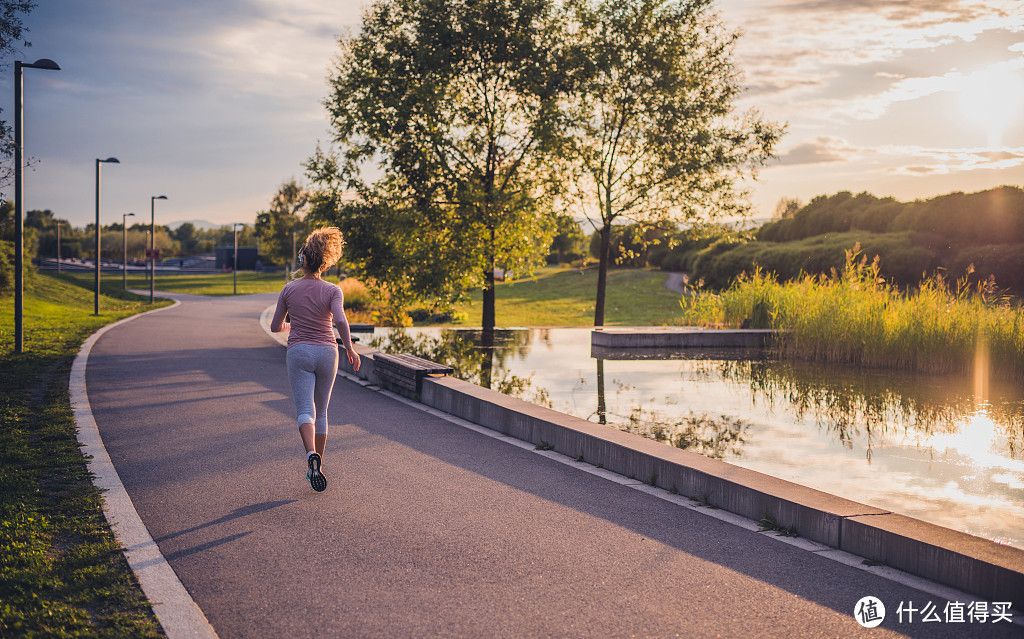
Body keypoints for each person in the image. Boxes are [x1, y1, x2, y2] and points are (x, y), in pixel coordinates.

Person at [270, 227, 360, 492]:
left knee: (304, 411)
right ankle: (318, 468)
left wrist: (291, 326)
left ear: (303, 260)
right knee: (322, 411)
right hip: (327, 352)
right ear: (325, 263)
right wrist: (350, 349)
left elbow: (276, 326)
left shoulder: (289, 289)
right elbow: (340, 320)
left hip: (299, 352)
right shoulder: (334, 291)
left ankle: (311, 455)